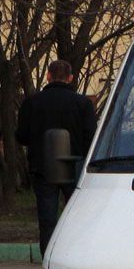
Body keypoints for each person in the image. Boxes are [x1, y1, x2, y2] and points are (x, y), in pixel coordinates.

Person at [16, 60, 97, 254]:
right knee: (77, 216)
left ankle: (50, 256)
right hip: (75, 167)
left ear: (48, 76)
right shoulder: (83, 104)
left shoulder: (31, 103)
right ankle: (76, 254)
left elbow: (21, 136)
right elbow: (91, 138)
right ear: (70, 78)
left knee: (47, 219)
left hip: (42, 167)